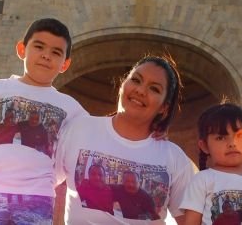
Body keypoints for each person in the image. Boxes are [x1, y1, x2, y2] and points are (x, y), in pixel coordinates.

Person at [0, 17, 88, 225]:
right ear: (22, 49)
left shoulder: (71, 108)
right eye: (39, 46)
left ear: (65, 64)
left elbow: (101, 135)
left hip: (38, 200)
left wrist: (153, 125)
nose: (46, 56)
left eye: (56, 52)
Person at [56, 55, 198, 224]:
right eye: (136, 80)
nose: (140, 90)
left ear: (164, 108)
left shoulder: (174, 158)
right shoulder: (79, 128)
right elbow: (40, 182)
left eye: (154, 89)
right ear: (123, 84)